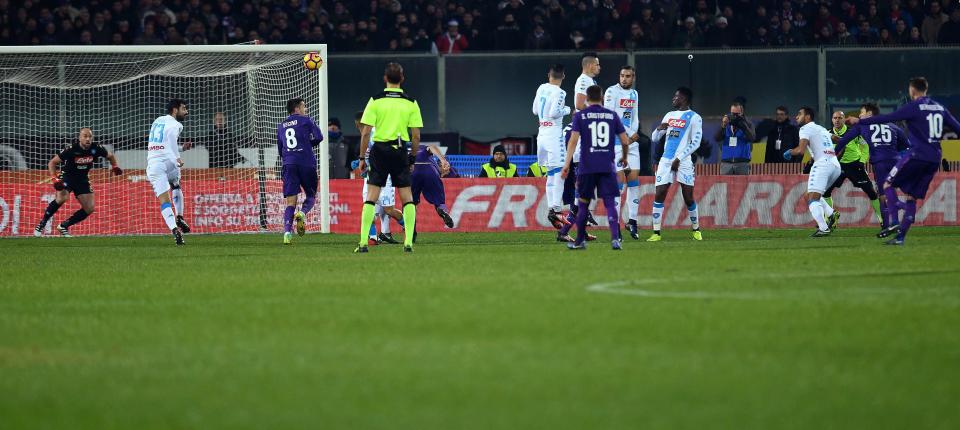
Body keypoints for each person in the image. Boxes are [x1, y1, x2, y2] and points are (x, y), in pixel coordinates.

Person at [847, 77, 960, 245]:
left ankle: (894, 222)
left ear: (912, 90)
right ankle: (900, 238)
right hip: (935, 158)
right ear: (925, 90)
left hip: (917, 155)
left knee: (887, 185)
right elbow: (957, 128)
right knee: (912, 197)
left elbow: (886, 118)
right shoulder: (939, 108)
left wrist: (861, 120)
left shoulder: (914, 107)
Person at [356, 62, 423, 253]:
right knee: (407, 198)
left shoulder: (375, 100)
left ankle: (363, 243)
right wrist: (412, 158)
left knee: (371, 197)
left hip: (379, 151)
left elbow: (366, 132)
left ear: (385, 79)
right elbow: (416, 135)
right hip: (400, 150)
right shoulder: (411, 102)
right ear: (402, 78)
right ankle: (408, 242)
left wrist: (362, 158)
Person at [560, 85, 631, 250]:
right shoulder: (612, 115)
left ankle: (579, 242)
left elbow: (573, 141)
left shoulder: (580, 116)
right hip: (607, 166)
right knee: (610, 204)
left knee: (583, 204)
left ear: (586, 99)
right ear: (602, 98)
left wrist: (566, 164)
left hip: (587, 167)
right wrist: (625, 157)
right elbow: (625, 140)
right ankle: (615, 239)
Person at [831, 103, 910, 236]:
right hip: (895, 162)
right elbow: (905, 146)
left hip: (880, 163)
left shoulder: (862, 126)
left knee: (883, 195)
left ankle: (888, 225)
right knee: (890, 192)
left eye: (862, 112)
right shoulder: (893, 126)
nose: (860, 115)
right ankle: (898, 216)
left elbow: (844, 140)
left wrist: (834, 154)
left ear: (869, 114)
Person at [34, 127, 123, 237]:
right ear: (79, 138)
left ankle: (64, 226)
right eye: (85, 136)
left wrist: (115, 166)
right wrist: (54, 178)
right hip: (67, 177)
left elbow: (110, 156)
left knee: (89, 208)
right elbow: (52, 162)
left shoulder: (96, 148)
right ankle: (42, 223)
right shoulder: (71, 149)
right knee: (62, 198)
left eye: (90, 136)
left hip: (82, 179)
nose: (88, 139)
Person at [647, 87, 703, 242]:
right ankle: (656, 233)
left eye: (676, 96)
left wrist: (679, 158)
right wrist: (659, 129)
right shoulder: (669, 115)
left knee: (688, 197)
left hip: (683, 161)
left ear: (684, 98)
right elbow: (654, 138)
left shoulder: (694, 117)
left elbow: (696, 142)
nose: (673, 99)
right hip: (665, 160)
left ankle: (696, 230)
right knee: (659, 194)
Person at [782, 107, 841, 237]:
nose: (796, 117)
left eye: (799, 114)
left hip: (822, 164)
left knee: (813, 199)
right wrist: (837, 154)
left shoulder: (804, 129)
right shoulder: (821, 128)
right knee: (809, 195)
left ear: (807, 117)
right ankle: (832, 214)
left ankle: (823, 228)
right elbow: (838, 139)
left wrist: (790, 152)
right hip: (835, 165)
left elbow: (801, 150)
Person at [562, 52, 602, 235]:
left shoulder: (589, 81)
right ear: (590, 65)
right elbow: (579, 103)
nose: (599, 68)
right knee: (582, 188)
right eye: (597, 64)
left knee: (584, 189)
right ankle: (566, 230)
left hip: (585, 135)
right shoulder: (584, 80)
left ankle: (580, 229)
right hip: (581, 138)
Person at [823, 110, 882, 229]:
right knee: (825, 192)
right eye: (835, 118)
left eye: (840, 118)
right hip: (837, 166)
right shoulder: (827, 133)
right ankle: (829, 220)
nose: (837, 120)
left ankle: (882, 219)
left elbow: (865, 146)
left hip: (854, 165)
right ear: (832, 120)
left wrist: (862, 161)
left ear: (844, 120)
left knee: (871, 192)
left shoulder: (853, 132)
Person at [352, 111, 404, 245]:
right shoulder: (367, 137)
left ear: (359, 124)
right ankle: (373, 237)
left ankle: (408, 227)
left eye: (358, 127)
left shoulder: (377, 133)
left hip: (385, 177)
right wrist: (363, 163)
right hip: (371, 177)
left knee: (388, 209)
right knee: (368, 207)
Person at [603, 65, 643, 239]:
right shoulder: (612, 92)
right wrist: (624, 135)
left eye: (628, 76)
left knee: (633, 182)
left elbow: (635, 116)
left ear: (633, 78)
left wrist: (634, 134)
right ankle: (616, 227)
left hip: (631, 143)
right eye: (622, 75)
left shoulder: (634, 94)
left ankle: (632, 222)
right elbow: (609, 116)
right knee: (619, 185)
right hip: (616, 143)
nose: (624, 79)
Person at [277, 97, 324, 245]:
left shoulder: (281, 126)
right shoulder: (306, 120)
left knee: (290, 202)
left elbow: (280, 149)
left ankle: (286, 233)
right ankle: (302, 214)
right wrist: (307, 145)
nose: (306, 109)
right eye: (304, 106)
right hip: (306, 162)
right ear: (297, 109)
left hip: (289, 164)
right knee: (311, 195)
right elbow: (319, 137)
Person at [146, 99, 191, 245]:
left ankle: (174, 229)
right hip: (169, 163)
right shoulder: (176, 124)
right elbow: (171, 139)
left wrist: (181, 149)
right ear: (175, 110)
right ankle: (180, 215)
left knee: (164, 201)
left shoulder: (158, 121)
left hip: (154, 164)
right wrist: (177, 158)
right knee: (176, 184)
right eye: (183, 108)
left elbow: (162, 145)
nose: (186, 112)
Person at [532, 63, 571, 229]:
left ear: (549, 75)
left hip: (541, 133)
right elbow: (555, 112)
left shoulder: (541, 88)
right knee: (561, 172)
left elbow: (534, 110)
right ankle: (556, 209)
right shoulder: (560, 92)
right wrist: (568, 110)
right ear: (563, 76)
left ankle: (551, 208)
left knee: (551, 172)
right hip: (554, 135)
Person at [411, 144, 454, 229]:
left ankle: (410, 228)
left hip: (413, 172)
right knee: (439, 201)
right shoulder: (423, 148)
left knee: (411, 203)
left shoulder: (403, 148)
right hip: (429, 171)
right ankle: (442, 209)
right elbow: (432, 147)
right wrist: (443, 160)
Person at [716, 101, 756, 175]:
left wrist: (743, 126)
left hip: (742, 162)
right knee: (724, 185)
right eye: (733, 114)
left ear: (742, 113)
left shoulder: (748, 124)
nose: (734, 116)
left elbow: (752, 138)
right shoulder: (726, 123)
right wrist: (723, 125)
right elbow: (717, 138)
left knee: (743, 185)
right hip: (726, 163)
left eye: (737, 114)